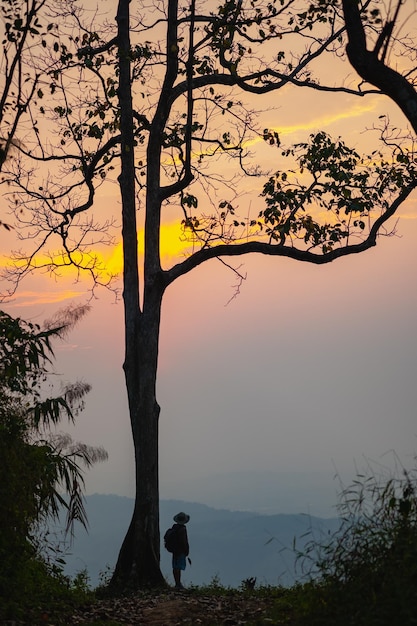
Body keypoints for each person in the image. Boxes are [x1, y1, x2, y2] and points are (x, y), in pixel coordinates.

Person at [171, 511, 190, 589]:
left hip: (174, 551)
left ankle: (177, 583)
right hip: (180, 551)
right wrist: (186, 551)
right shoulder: (183, 529)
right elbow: (184, 541)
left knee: (175, 567)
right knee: (179, 567)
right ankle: (178, 584)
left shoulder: (174, 528)